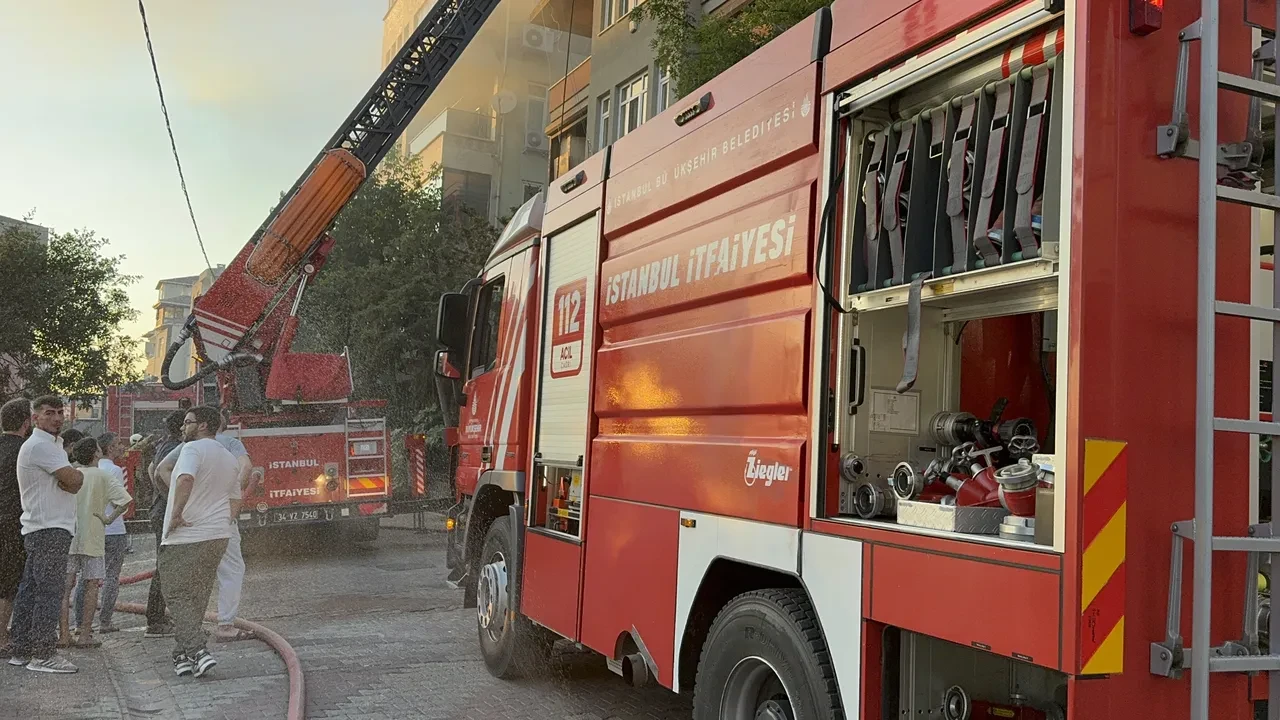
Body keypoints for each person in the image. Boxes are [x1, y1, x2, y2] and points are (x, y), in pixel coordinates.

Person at [154, 410, 254, 643]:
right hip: (218, 521)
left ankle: (190, 635)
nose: (183, 428)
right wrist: (225, 505)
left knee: (188, 580)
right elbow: (246, 469)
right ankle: (225, 625)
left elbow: (159, 469)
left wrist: (180, 501)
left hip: (186, 520)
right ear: (222, 424)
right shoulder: (229, 444)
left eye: (188, 422)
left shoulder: (190, 447)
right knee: (231, 569)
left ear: (202, 425)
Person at [7, 396, 84, 673]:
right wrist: (73, 477)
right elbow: (74, 481)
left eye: (60, 412)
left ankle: (22, 649)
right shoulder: (41, 445)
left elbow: (69, 482)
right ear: (35, 418)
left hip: (42, 528)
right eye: (49, 413)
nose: (57, 418)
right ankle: (43, 654)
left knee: (31, 590)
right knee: (49, 591)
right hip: (49, 528)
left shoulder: (49, 446)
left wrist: (68, 479)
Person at [61, 438, 130, 649]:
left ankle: (64, 634)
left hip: (70, 535)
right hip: (94, 536)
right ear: (96, 454)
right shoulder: (103, 475)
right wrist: (108, 519)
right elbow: (125, 501)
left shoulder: (70, 474)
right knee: (92, 585)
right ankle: (85, 634)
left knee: (65, 588)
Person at [142, 411, 185, 638]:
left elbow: (151, 470)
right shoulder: (174, 447)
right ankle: (156, 620)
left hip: (160, 509)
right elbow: (159, 473)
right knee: (167, 567)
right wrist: (174, 501)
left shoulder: (164, 445)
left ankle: (159, 615)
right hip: (166, 511)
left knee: (166, 565)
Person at [0, 399, 31, 654]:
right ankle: (2, 638)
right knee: (9, 584)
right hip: (14, 522)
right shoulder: (26, 450)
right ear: (26, 423)